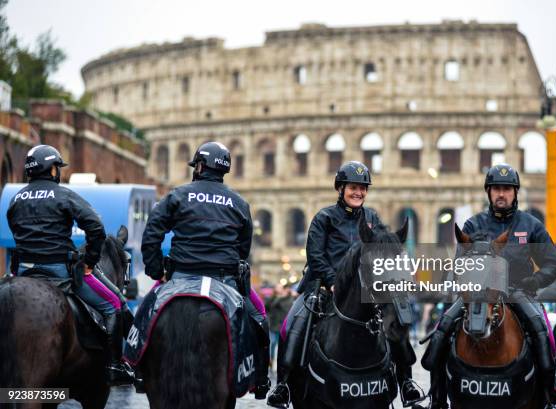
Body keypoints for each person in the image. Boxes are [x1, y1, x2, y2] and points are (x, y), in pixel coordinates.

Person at [267, 161, 424, 408]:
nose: (358, 192)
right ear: (340, 188)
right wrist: (332, 282)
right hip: (324, 287)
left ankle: (406, 381)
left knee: (397, 319)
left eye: (363, 188)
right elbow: (315, 255)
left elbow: (383, 247)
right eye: (353, 187)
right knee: (294, 320)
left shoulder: (372, 217)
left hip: (367, 288)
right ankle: (284, 384)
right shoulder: (324, 217)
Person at [422, 163, 556, 409]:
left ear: (515, 193)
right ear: (489, 192)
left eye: (507, 189)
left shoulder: (531, 225)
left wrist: (535, 281)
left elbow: (554, 262)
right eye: (497, 188)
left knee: (542, 331)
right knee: (443, 328)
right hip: (477, 293)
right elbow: (460, 265)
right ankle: (436, 399)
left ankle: (549, 394)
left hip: (519, 292)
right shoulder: (472, 225)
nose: (502, 194)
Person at [140, 141, 270, 398]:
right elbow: (244, 249)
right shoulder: (240, 203)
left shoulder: (177, 195)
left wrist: (157, 271)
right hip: (225, 280)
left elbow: (152, 233)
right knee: (260, 320)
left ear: (199, 166)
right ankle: (261, 380)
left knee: (143, 315)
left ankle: (134, 367)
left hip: (180, 276)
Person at [7, 144, 134, 385]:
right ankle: (115, 366)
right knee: (114, 305)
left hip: (23, 271)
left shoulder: (16, 198)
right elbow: (95, 226)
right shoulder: (63, 195)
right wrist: (89, 260)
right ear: (52, 171)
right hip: (59, 272)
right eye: (57, 168)